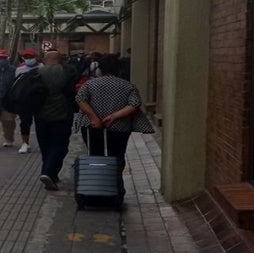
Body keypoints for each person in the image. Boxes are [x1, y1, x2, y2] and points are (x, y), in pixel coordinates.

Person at [74, 54, 154, 165]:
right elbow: (135, 104)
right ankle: (115, 174)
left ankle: (98, 173)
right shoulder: (128, 86)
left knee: (95, 154)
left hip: (92, 126)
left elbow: (80, 99)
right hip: (119, 125)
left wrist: (94, 118)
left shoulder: (89, 85)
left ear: (100, 69)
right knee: (117, 155)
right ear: (119, 70)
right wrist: (114, 116)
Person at [34, 50, 78, 190]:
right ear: (60, 59)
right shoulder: (69, 71)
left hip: (41, 116)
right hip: (63, 115)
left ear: (44, 59)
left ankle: (50, 173)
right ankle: (48, 172)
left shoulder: (36, 73)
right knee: (60, 145)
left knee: (45, 145)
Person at [13, 48, 40, 153]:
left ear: (35, 57)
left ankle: (42, 142)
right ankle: (25, 143)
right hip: (24, 101)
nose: (28, 59)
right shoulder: (19, 70)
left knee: (41, 123)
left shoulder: (42, 68)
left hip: (39, 101)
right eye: (26, 57)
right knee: (24, 123)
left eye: (30, 57)